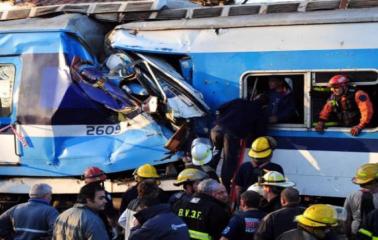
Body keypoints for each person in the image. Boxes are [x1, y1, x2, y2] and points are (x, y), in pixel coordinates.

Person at [209, 96, 268, 192]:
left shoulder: (238, 101)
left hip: (216, 130)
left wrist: (222, 120)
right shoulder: (259, 112)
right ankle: (226, 186)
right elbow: (260, 133)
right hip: (231, 135)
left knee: (215, 154)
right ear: (264, 106)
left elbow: (220, 109)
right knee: (229, 161)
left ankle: (209, 174)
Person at [344, 163, 378, 238]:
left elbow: (346, 219)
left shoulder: (351, 196)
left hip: (355, 231)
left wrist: (347, 235)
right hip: (374, 232)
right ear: (375, 181)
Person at [83, 166, 118, 239]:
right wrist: (114, 228)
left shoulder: (82, 195)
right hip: (101, 229)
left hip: (84, 228)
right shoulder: (105, 195)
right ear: (101, 181)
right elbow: (110, 215)